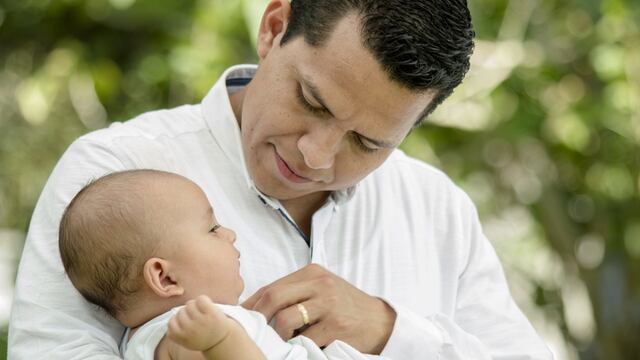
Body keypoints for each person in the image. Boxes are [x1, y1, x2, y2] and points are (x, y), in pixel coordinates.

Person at [9, 0, 553, 359]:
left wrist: (391, 332)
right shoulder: (112, 171)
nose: (316, 155)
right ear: (273, 29)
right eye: (311, 101)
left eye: (367, 142)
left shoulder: (437, 211)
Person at [58, 169, 381, 360]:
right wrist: (219, 341)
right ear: (165, 277)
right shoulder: (179, 336)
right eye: (212, 229)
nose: (229, 234)